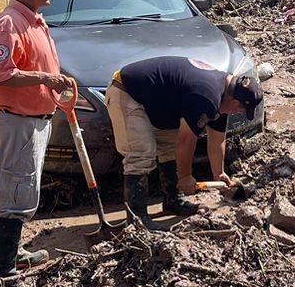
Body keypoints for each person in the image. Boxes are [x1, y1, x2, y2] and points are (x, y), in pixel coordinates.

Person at [0, 0, 76, 279]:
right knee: (13, 190)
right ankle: (4, 268)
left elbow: (37, 68)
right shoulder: (9, 23)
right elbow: (0, 74)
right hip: (18, 120)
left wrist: (55, 79)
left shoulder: (35, 20)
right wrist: (45, 78)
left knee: (25, 189)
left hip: (36, 118)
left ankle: (15, 253)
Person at [106, 56, 262, 230]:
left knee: (169, 148)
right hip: (127, 93)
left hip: (155, 103)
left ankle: (173, 201)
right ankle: (137, 219)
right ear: (234, 102)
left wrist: (219, 174)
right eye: (242, 109)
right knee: (141, 154)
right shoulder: (207, 95)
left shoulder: (224, 94)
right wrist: (185, 177)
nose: (238, 113)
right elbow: (186, 141)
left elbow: (217, 140)